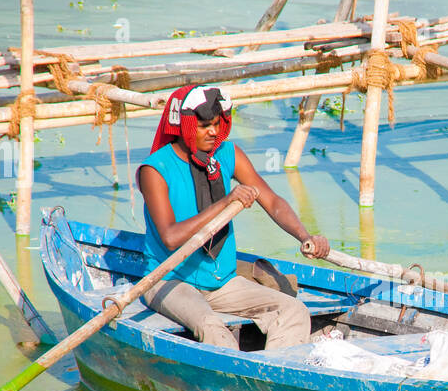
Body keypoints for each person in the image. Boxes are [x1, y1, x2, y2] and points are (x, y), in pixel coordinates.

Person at [137, 83, 330, 349]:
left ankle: (269, 381)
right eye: (204, 126)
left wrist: (305, 236)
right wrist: (227, 202)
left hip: (221, 282)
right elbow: (170, 237)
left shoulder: (228, 154)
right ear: (184, 126)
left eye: (217, 124)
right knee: (212, 327)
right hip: (169, 280)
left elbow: (272, 201)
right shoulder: (154, 170)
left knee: (293, 311)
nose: (213, 132)